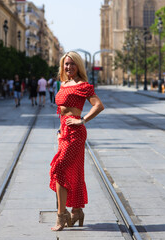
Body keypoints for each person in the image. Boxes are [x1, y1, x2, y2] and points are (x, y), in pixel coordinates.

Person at [49, 51, 104, 231]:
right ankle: (77, 211)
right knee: (74, 171)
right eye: (66, 64)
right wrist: (59, 130)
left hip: (75, 133)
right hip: (63, 133)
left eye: (72, 64)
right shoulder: (63, 84)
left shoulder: (83, 85)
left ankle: (61, 215)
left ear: (78, 65)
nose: (69, 67)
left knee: (59, 168)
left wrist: (82, 120)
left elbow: (98, 105)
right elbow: (62, 111)